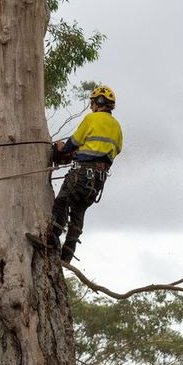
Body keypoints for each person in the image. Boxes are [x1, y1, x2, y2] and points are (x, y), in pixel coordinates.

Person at [27, 85, 123, 263]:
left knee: (62, 201)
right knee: (79, 211)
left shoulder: (92, 119)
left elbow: (75, 141)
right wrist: (85, 153)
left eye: (93, 102)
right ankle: (68, 253)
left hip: (82, 173)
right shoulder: (117, 127)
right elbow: (112, 151)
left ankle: (50, 239)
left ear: (98, 102)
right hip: (98, 180)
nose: (91, 106)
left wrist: (65, 150)